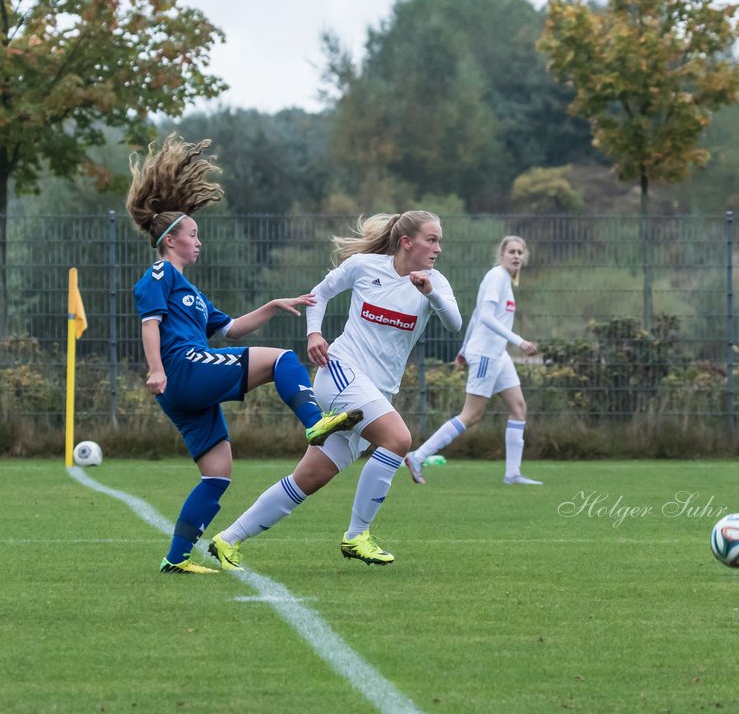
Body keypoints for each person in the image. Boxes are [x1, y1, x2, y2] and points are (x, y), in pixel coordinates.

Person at [127, 134, 361, 575]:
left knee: (217, 474)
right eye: (193, 234)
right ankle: (315, 425)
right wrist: (157, 369)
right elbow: (149, 322)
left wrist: (273, 306)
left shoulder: (190, 291)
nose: (199, 242)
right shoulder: (160, 271)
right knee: (281, 361)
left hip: (183, 386)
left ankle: (175, 560)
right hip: (180, 370)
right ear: (172, 238)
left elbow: (231, 328)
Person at [207, 211, 462, 569]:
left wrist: (430, 293)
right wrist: (314, 333)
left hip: (376, 392)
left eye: (439, 240)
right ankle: (357, 535)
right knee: (398, 439)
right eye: (431, 239)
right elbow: (319, 294)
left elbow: (454, 323)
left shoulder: (434, 282)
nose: (438, 248)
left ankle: (227, 539)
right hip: (340, 371)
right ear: (407, 242)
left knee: (309, 478)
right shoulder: (364, 266)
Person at [405, 235, 541, 486]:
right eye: (511, 251)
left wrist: (464, 348)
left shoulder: (506, 282)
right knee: (471, 415)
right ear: (501, 255)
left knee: (519, 408)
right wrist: (519, 341)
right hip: (487, 354)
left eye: (520, 253)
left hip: (498, 354)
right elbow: (487, 317)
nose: (516, 256)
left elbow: (478, 313)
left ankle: (512, 474)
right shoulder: (496, 277)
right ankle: (418, 456)